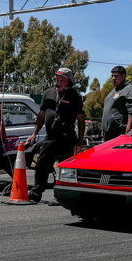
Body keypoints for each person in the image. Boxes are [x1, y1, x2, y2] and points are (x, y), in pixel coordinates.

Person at [26, 67, 85, 202]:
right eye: (57, 80)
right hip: (51, 137)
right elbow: (41, 115)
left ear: (70, 81)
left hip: (67, 138)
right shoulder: (48, 93)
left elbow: (81, 120)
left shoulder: (74, 96)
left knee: (65, 169)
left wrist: (80, 141)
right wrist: (34, 134)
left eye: (62, 81)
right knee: (41, 165)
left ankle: (61, 196)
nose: (59, 83)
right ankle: (36, 193)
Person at [102, 65, 132, 141]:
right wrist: (103, 129)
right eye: (112, 76)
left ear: (123, 76)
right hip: (109, 134)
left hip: (120, 133)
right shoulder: (114, 90)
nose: (113, 78)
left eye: (116, 76)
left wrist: (128, 132)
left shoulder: (130, 90)